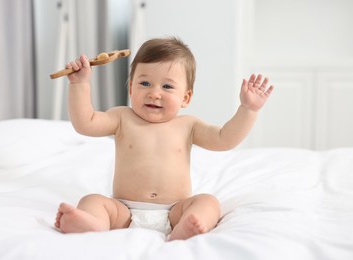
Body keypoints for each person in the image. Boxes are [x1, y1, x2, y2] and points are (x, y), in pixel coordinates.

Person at [54, 37, 273, 241]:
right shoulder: (122, 118)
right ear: (131, 88)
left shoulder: (188, 125)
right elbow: (86, 123)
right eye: (145, 83)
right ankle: (93, 225)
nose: (154, 93)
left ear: (185, 97)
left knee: (208, 202)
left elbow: (225, 139)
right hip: (125, 211)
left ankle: (185, 230)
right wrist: (79, 85)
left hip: (175, 211)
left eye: (167, 86)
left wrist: (248, 110)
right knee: (92, 201)